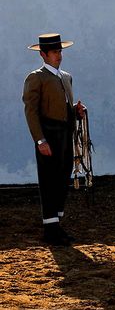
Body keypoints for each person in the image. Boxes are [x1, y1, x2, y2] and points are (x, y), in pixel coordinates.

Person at [23, 33, 85, 246]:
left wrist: (77, 112)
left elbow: (65, 108)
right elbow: (31, 111)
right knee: (49, 180)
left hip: (65, 135)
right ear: (43, 54)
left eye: (60, 51)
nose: (59, 55)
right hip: (48, 135)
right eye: (54, 52)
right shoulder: (36, 78)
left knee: (62, 178)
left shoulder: (66, 77)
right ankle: (50, 229)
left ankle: (56, 225)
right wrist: (40, 140)